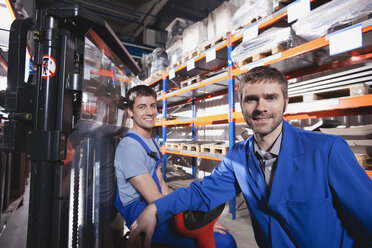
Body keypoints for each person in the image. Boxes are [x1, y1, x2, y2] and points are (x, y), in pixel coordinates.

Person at [128, 66, 372, 248]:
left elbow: (368, 218)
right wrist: (156, 208)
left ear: (285, 102)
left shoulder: (327, 150)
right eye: (251, 99)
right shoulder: (238, 157)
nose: (261, 107)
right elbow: (202, 193)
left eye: (271, 98)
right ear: (241, 105)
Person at [114, 85, 237, 247]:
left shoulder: (150, 142)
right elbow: (153, 198)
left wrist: (185, 214)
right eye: (141, 107)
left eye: (152, 106)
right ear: (130, 111)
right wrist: (197, 224)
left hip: (156, 208)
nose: (150, 112)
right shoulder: (130, 147)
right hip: (142, 214)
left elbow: (162, 183)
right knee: (223, 242)